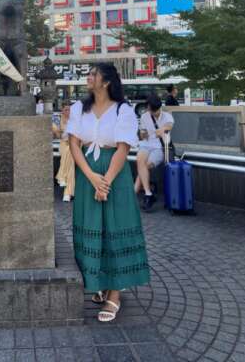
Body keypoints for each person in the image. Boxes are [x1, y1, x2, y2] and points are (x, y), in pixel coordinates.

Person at [67, 63, 150, 322]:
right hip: (87, 173)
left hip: (115, 174)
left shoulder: (124, 111)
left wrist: (106, 183)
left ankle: (115, 293)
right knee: (92, 225)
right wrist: (92, 178)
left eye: (93, 74)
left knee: (115, 228)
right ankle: (100, 282)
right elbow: (73, 144)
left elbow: (123, 149)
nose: (88, 77)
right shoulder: (80, 108)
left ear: (106, 82)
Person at [135, 94, 174, 211]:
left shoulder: (167, 116)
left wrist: (161, 130)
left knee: (145, 166)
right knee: (139, 160)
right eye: (151, 110)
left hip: (159, 147)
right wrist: (143, 134)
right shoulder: (144, 116)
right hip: (146, 144)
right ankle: (148, 193)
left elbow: (168, 127)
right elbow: (142, 136)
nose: (152, 113)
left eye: (155, 111)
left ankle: (135, 192)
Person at [54, 102, 75, 202]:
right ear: (62, 110)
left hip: (73, 145)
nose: (68, 112)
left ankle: (62, 177)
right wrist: (57, 131)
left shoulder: (75, 120)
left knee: (70, 152)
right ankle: (67, 191)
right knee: (68, 151)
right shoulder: (58, 119)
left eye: (69, 109)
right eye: (66, 109)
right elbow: (57, 136)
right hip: (64, 143)